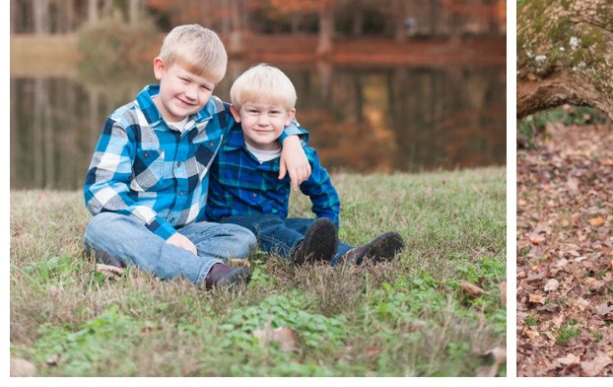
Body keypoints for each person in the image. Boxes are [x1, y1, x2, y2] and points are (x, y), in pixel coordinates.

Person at [83, 24, 312, 290]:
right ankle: (210, 273)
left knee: (242, 236)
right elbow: (101, 191)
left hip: (192, 231)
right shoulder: (127, 122)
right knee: (101, 227)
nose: (192, 94)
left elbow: (261, 115)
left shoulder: (214, 115)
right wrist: (164, 234)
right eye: (185, 80)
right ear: (160, 68)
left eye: (205, 86)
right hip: (138, 227)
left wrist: (291, 138)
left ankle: (141, 260)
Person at [206, 64, 405, 266]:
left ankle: (352, 256)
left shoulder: (299, 157)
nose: (263, 121)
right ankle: (302, 253)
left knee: (304, 227)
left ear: (289, 117)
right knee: (265, 226)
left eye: (273, 113)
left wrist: (329, 227)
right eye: (254, 111)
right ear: (237, 113)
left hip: (276, 224)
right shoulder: (221, 142)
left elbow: (324, 193)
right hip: (226, 225)